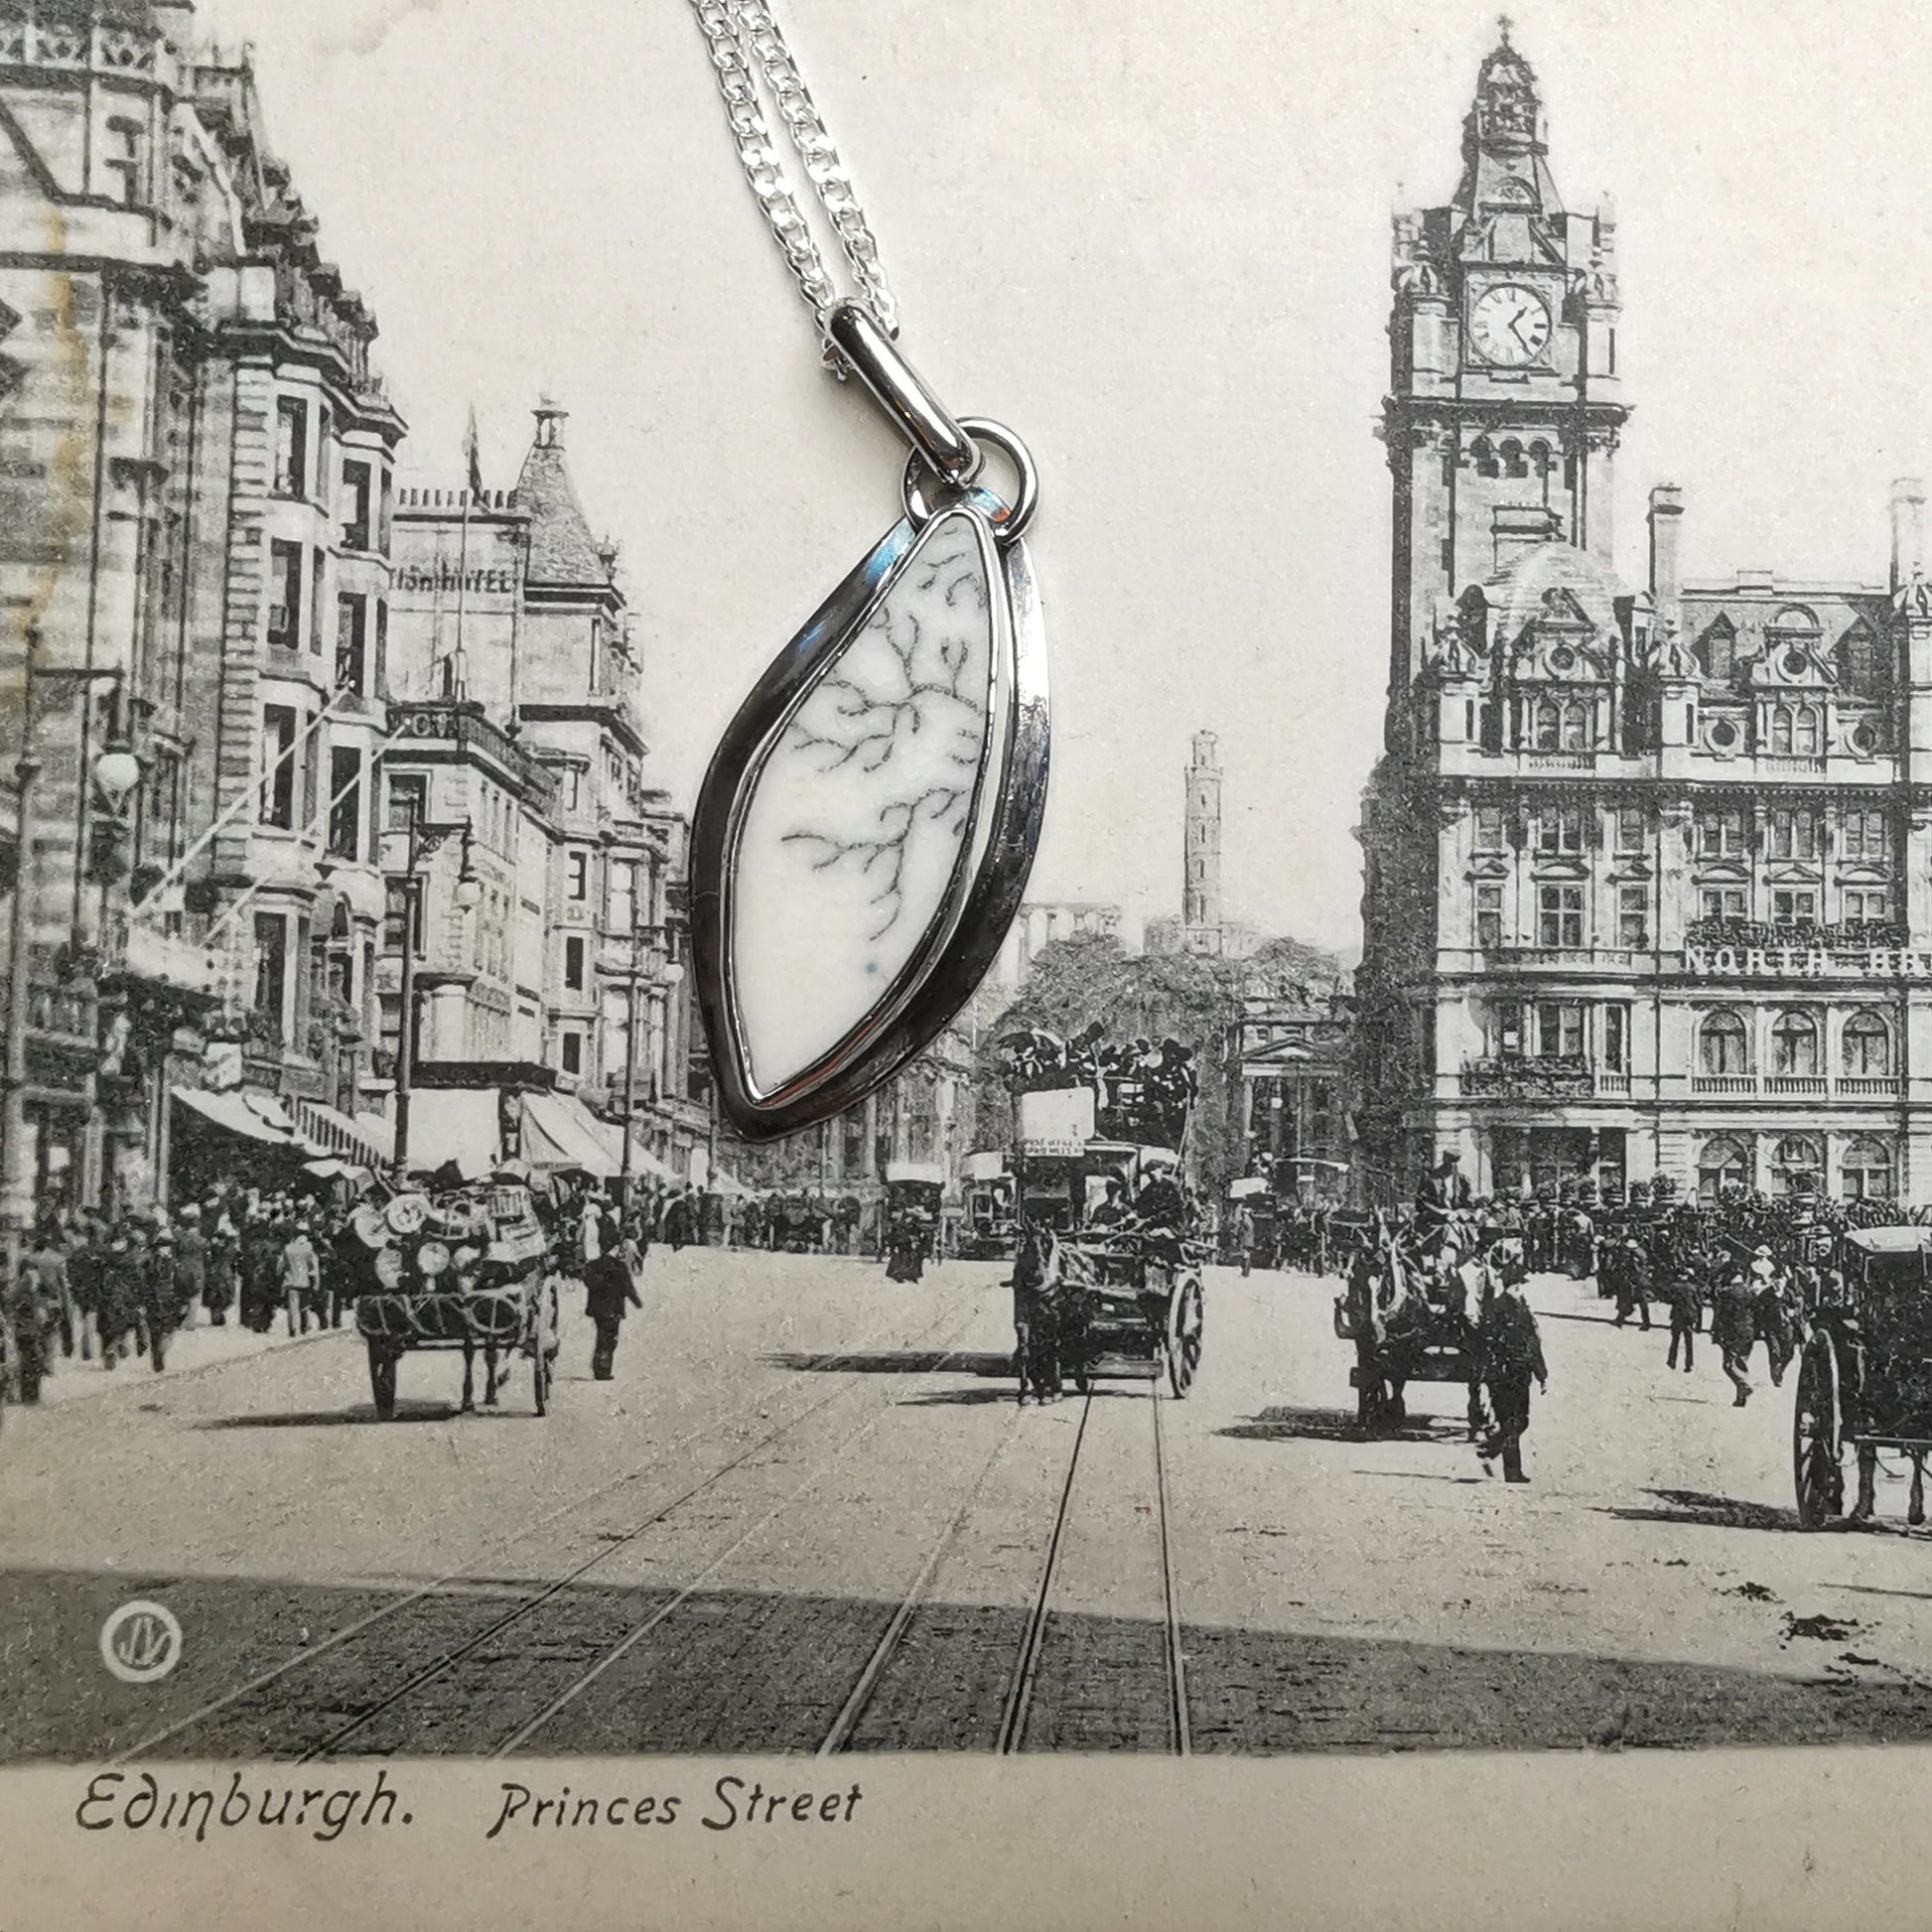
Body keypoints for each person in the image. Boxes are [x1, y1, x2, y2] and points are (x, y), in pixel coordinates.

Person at [1476, 1275, 1548, 1482]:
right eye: (1520, 1287)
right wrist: (1541, 1375)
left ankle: (1491, 1449)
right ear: (1515, 1287)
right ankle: (1512, 1471)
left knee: (1515, 1422)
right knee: (1515, 1421)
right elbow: (1533, 1345)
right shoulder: (1520, 1312)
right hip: (1514, 1373)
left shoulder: (1496, 1307)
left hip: (1501, 1374)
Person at [584, 1237, 642, 1380]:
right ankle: (602, 1369)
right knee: (610, 1339)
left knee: (602, 1336)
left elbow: (588, 1281)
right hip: (613, 1309)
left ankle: (598, 1365)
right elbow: (628, 1288)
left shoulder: (593, 1265)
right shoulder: (619, 1267)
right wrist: (637, 1302)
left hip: (597, 1309)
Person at [1711, 1268, 1757, 1407]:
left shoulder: (1727, 1295)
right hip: (1749, 1332)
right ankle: (1740, 1399)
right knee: (1741, 1363)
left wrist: (1716, 1332)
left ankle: (1743, 1385)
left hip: (1732, 1332)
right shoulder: (1751, 1293)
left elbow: (1721, 1315)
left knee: (1729, 1365)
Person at [280, 1219, 321, 1336]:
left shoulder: (288, 1248)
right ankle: (304, 1328)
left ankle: (292, 1329)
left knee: (293, 1307)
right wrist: (316, 1280)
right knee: (305, 1306)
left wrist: (281, 1275)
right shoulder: (309, 1247)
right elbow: (314, 1265)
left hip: (291, 1281)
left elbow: (281, 1265)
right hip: (305, 1281)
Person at [1612, 1236, 1652, 1330]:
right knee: (1642, 1302)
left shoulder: (1633, 1256)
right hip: (1642, 1281)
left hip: (1635, 1281)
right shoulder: (1641, 1253)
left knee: (1626, 1299)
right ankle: (1645, 1322)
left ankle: (1620, 1320)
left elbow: (1629, 1268)